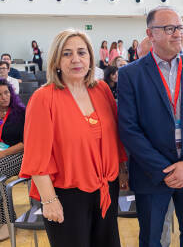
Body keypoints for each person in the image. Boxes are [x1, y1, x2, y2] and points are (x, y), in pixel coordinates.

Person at [118, 6, 183, 247]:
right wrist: (166, 170)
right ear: (150, 34)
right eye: (169, 28)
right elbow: (129, 129)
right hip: (151, 175)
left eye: (181, 27)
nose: (178, 34)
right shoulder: (131, 74)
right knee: (151, 238)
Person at [19, 29, 128, 247]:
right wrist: (50, 201)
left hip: (106, 187)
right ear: (56, 60)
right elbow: (37, 157)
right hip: (66, 196)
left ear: (90, 57)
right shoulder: (44, 98)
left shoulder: (102, 89)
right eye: (67, 54)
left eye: (81, 52)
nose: (76, 59)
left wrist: (122, 170)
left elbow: (114, 138)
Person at [0, 79, 25, 241]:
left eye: (6, 92)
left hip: (20, 155)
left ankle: (7, 222)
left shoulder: (21, 113)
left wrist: (3, 154)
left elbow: (25, 143)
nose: (3, 97)